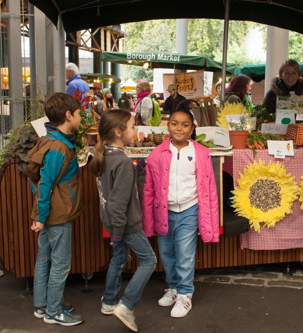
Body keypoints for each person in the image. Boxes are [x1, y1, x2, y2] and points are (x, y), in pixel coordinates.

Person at [143, 108, 219, 318]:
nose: (179, 128)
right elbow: (148, 190)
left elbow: (210, 188)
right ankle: (174, 287)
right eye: (174, 123)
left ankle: (185, 294)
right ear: (167, 126)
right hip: (164, 211)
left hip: (189, 210)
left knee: (184, 254)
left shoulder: (201, 153)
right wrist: (148, 218)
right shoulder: (156, 154)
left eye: (185, 124)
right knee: (167, 253)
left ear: (192, 129)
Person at [89, 109, 157, 332]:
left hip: (111, 220)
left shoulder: (104, 156)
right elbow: (120, 203)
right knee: (149, 260)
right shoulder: (123, 163)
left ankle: (109, 302)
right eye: (132, 127)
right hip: (125, 224)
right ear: (119, 132)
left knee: (119, 257)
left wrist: (137, 171)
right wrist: (118, 232)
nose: (135, 131)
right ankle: (126, 305)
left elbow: (113, 193)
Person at [30, 93, 84, 326]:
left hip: (50, 211)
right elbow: (45, 183)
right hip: (57, 213)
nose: (81, 118)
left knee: (45, 259)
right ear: (68, 115)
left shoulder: (50, 139)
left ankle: (43, 305)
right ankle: (54, 311)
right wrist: (40, 217)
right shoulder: (59, 148)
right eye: (79, 114)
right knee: (60, 264)